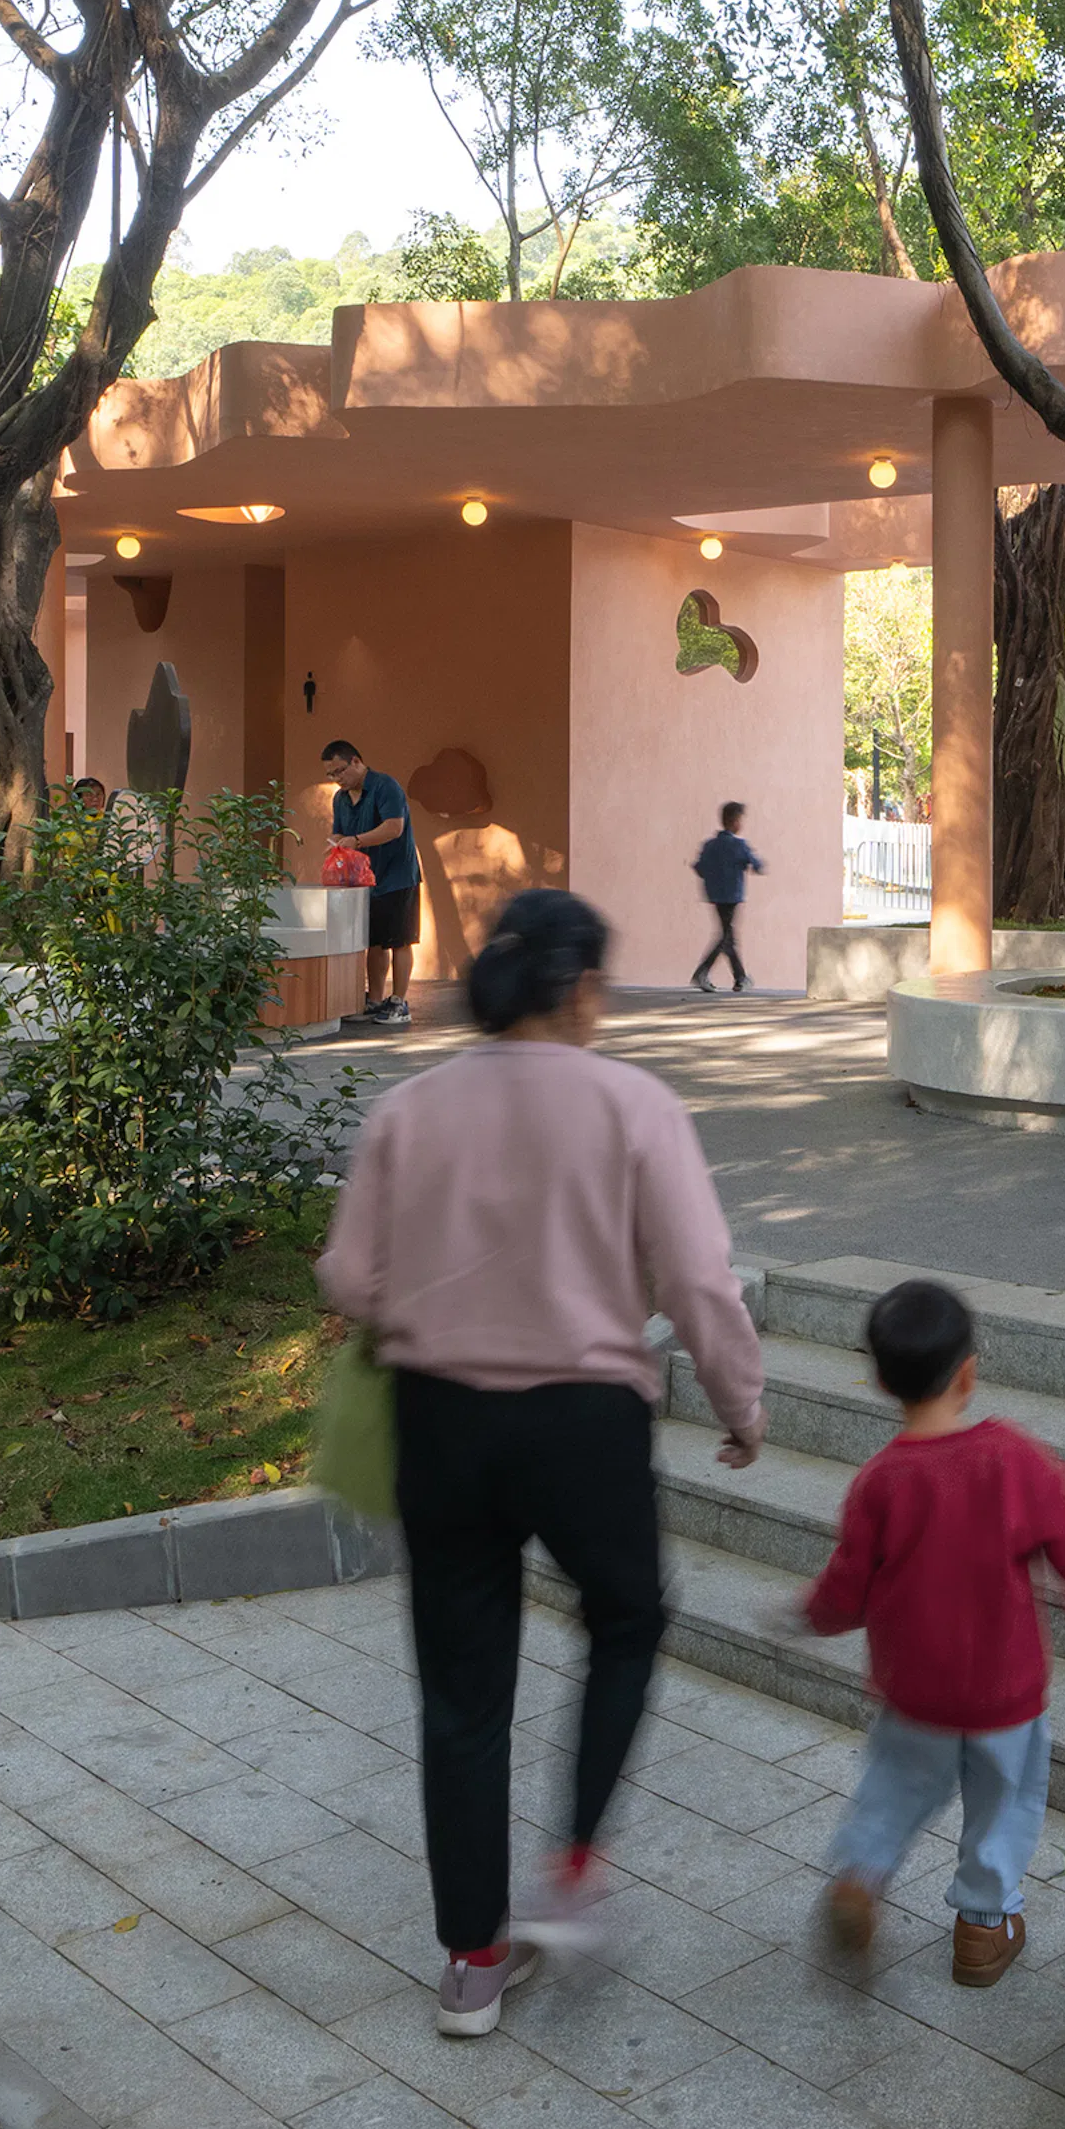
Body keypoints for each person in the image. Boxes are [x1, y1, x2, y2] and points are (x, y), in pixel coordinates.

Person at [316, 885, 767, 2038]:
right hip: (584, 1423)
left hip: (441, 1423)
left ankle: (471, 1962)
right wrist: (741, 1403)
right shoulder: (634, 1105)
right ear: (579, 989)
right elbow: (698, 1281)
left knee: (462, 1693)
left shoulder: (407, 1112)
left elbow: (350, 1280)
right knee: (626, 1618)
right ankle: (572, 1867)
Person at [802, 1274, 1065, 1988]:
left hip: (914, 1689)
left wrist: (812, 1615)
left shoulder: (880, 1482)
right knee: (1002, 1805)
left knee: (891, 1788)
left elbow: (847, 1586)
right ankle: (983, 1927)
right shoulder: (1013, 1458)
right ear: (970, 1373)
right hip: (1004, 1691)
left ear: (882, 1381)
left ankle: (860, 1875)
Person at [323, 736, 420, 1029]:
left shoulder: (385, 786)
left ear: (356, 761)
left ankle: (399, 1001)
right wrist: (339, 843)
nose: (337, 779)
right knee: (374, 942)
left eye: (340, 771)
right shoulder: (340, 799)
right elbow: (340, 833)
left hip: (398, 875)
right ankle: (374, 1000)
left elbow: (394, 827)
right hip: (364, 880)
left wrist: (357, 840)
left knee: (400, 940)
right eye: (331, 775)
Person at [688, 798, 764, 994]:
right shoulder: (740, 845)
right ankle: (702, 972)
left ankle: (740, 978)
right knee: (726, 937)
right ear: (734, 821)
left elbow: (699, 867)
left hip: (714, 895)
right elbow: (756, 864)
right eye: (740, 820)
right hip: (732, 896)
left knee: (728, 936)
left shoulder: (710, 845)